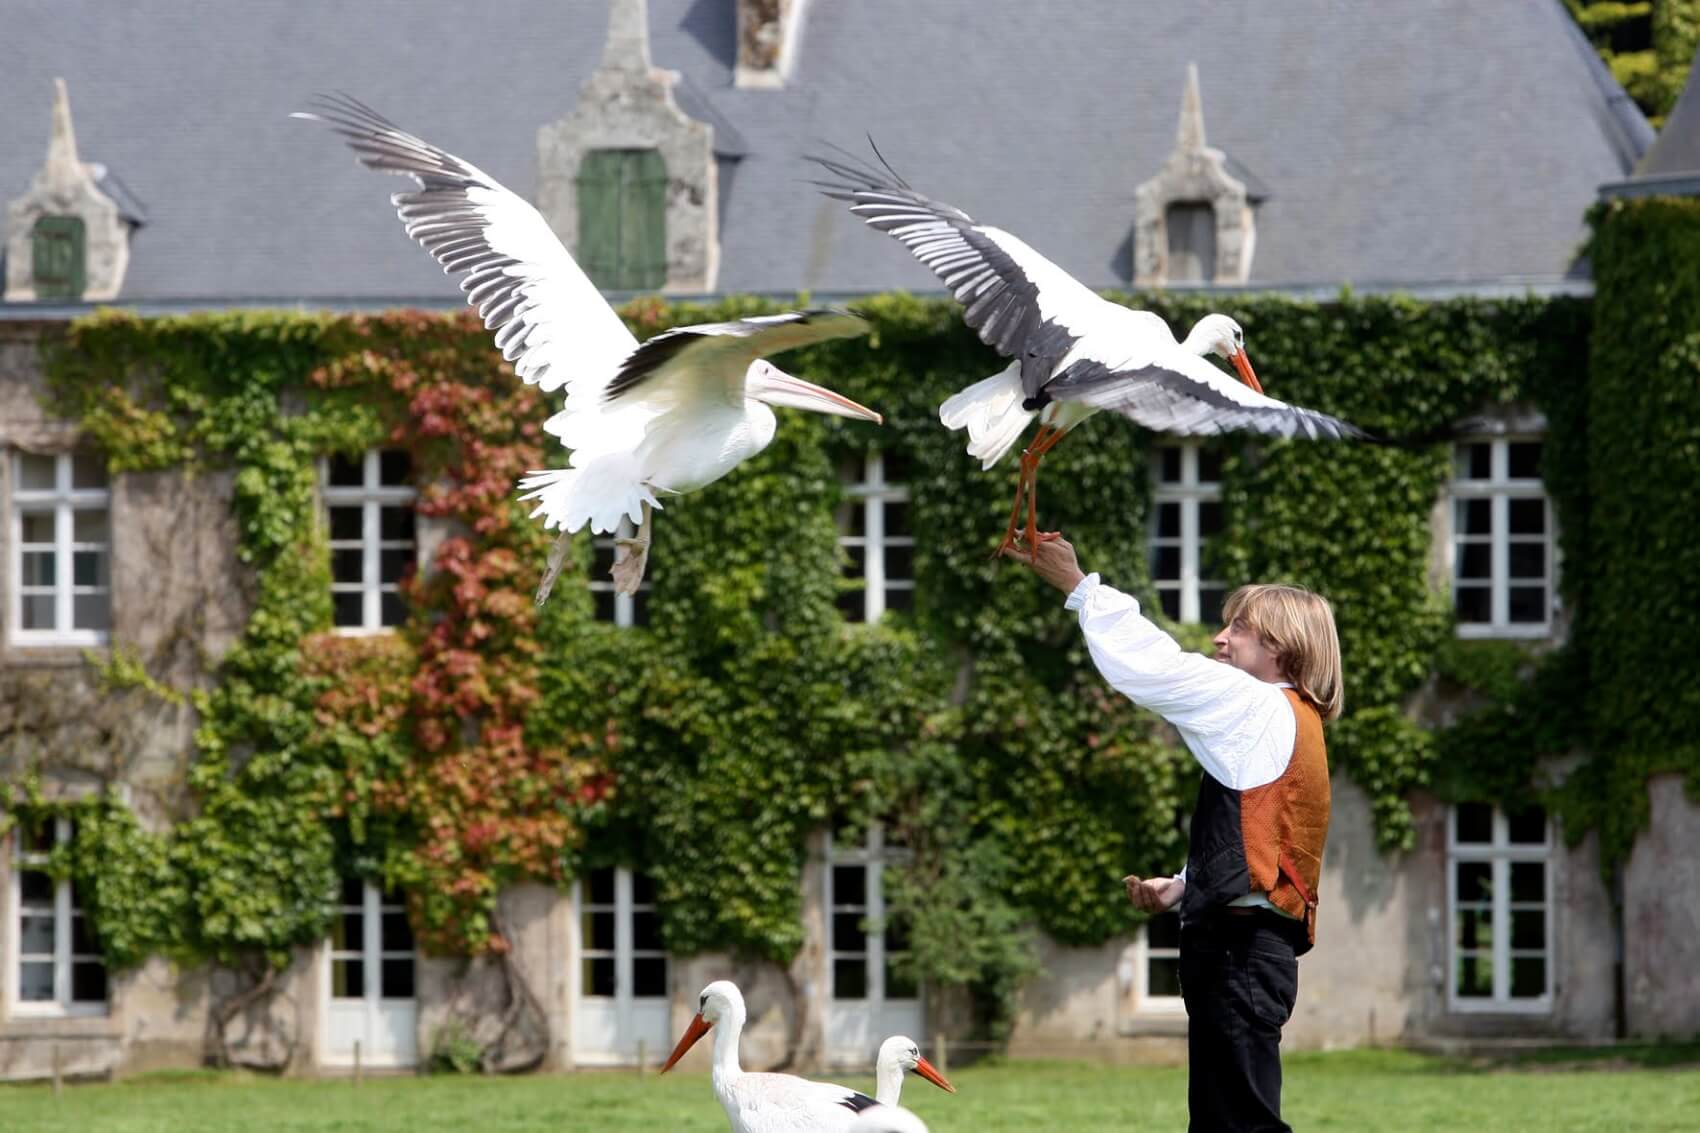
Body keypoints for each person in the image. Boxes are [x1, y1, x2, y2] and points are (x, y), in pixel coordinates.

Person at [1004, 535, 1342, 1133]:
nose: (1220, 639)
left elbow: (1156, 668)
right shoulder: (1291, 719)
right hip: (1244, 946)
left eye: (1237, 628)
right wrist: (1186, 885)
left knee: (1240, 1127)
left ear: (1279, 647)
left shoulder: (1257, 705)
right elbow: (1265, 834)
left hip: (1240, 952)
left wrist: (1080, 588)